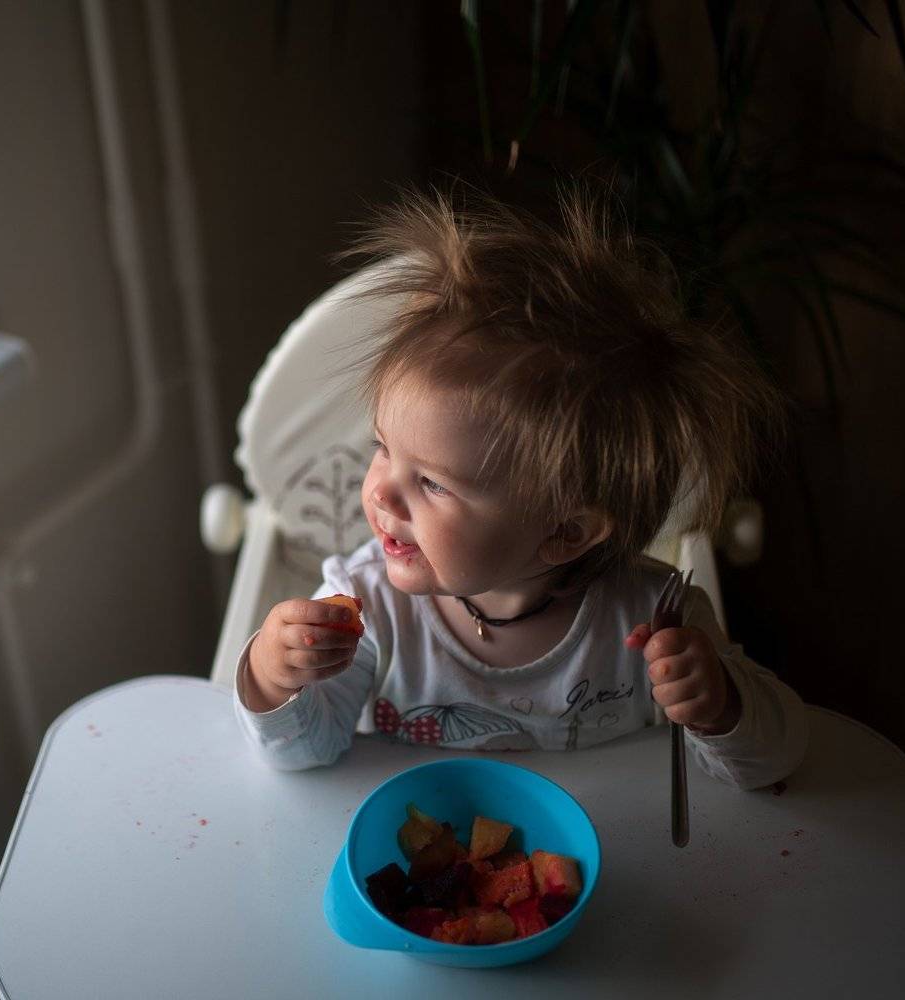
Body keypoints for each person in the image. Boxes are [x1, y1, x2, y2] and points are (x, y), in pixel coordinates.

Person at [235, 187, 806, 790]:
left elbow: (777, 760)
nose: (380, 494)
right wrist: (273, 678)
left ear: (565, 531)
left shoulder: (656, 622)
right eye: (382, 448)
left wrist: (719, 705)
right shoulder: (371, 606)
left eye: (431, 482)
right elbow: (307, 755)